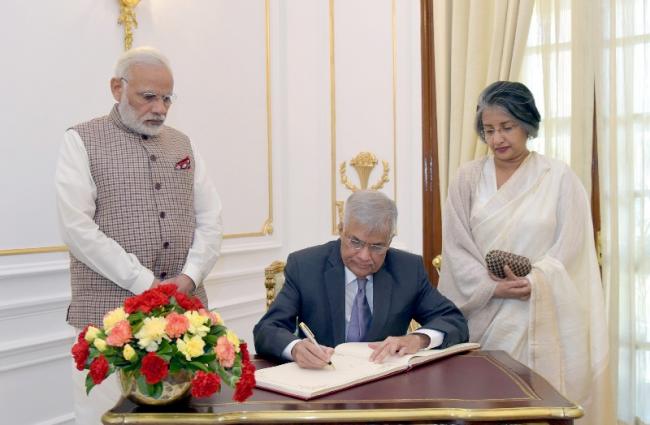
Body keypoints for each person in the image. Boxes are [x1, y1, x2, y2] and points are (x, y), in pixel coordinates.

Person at [55, 46, 223, 424]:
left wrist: (190, 276)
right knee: (104, 416)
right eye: (148, 97)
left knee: (186, 417)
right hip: (107, 317)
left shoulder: (184, 144)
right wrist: (144, 282)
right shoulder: (81, 139)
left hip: (186, 317)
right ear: (117, 88)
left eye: (167, 98)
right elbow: (77, 228)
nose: (160, 108)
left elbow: (211, 219)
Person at [438, 81, 614, 424]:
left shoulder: (558, 177)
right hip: (483, 315)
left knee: (536, 410)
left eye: (507, 127)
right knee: (483, 409)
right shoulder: (467, 178)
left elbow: (572, 248)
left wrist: (537, 282)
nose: (498, 139)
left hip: (539, 314)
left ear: (528, 125)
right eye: (489, 130)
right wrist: (493, 287)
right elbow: (457, 247)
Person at [254, 190, 468, 368]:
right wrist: (295, 348)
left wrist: (417, 339)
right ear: (341, 231)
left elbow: (454, 321)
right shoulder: (306, 266)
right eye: (355, 242)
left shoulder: (408, 270)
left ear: (390, 241)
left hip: (384, 387)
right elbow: (267, 329)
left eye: (377, 246)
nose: (365, 256)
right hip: (322, 384)